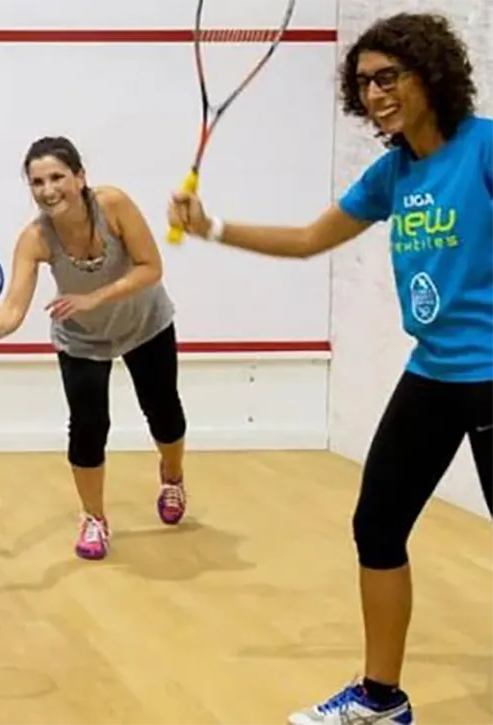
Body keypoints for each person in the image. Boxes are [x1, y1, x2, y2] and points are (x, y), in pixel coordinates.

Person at [167, 12, 489, 725]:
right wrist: (212, 227)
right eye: (365, 82)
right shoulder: (393, 172)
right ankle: (382, 697)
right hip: (434, 373)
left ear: (429, 72)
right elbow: (312, 238)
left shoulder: (485, 148)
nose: (376, 94)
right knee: (377, 524)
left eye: (389, 76)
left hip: (492, 374)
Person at [0, 136, 188, 561]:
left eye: (57, 177)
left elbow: (151, 267)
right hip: (82, 338)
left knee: (164, 411)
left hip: (145, 323)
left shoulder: (113, 205)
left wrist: (94, 297)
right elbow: (13, 308)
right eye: (37, 182)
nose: (48, 190)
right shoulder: (35, 238)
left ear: (80, 177)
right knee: (88, 427)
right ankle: (94, 518)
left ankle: (172, 476)